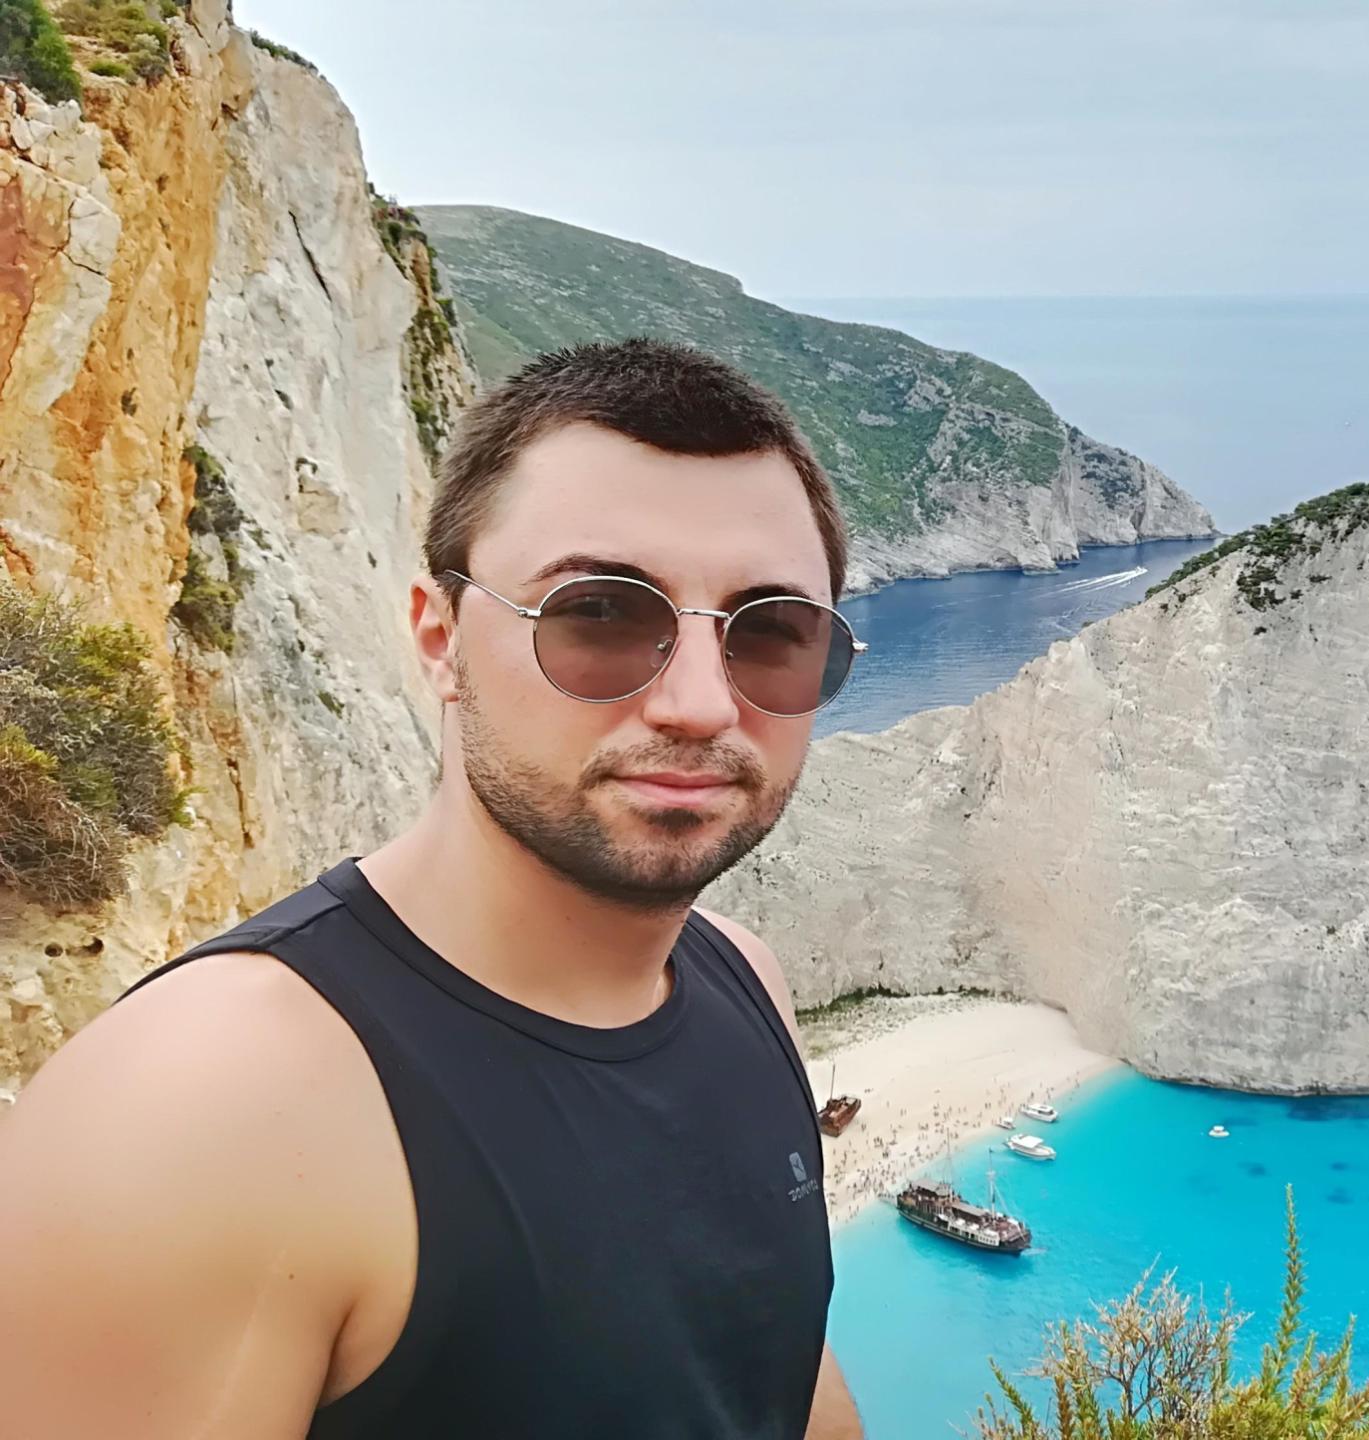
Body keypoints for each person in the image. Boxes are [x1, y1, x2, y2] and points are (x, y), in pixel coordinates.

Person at [0, 339, 867, 1438]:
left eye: (773, 632)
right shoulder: (204, 1110)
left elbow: (773, 1383)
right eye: (600, 614)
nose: (699, 703)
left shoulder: (747, 982)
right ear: (440, 638)